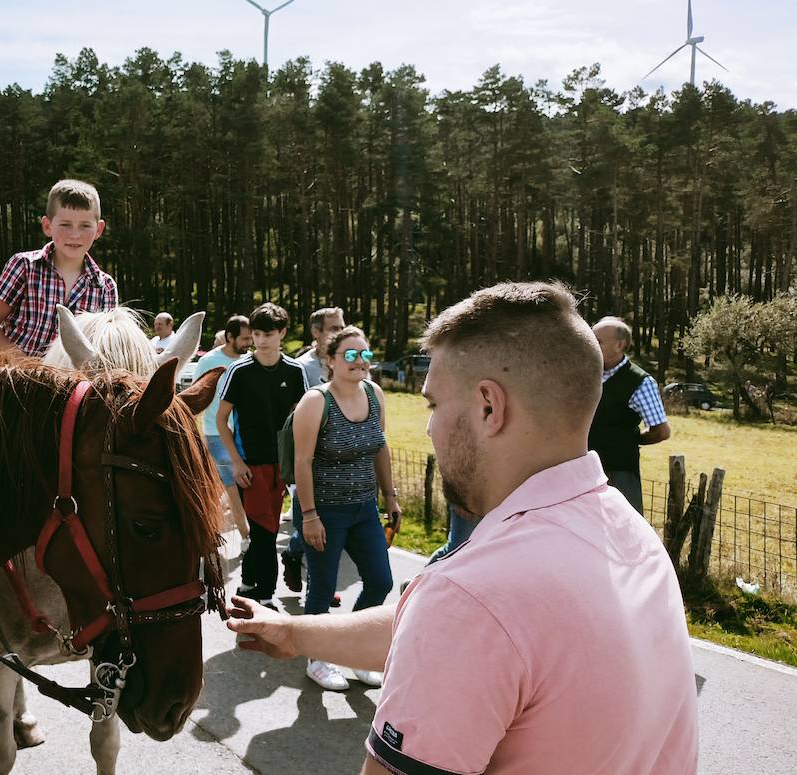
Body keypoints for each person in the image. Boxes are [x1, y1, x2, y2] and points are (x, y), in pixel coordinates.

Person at [229, 282, 698, 775]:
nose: (428, 428)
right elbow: (444, 635)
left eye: (433, 405)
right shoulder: (635, 537)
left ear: (489, 408)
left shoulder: (470, 596)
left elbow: (459, 625)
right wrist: (295, 631)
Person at [290, 326, 397, 691]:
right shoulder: (316, 401)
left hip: (365, 507)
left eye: (365, 354)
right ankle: (318, 660)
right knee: (321, 589)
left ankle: (354, 652)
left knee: (381, 580)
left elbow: (380, 447)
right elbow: (302, 462)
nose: (360, 361)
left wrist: (391, 497)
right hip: (325, 511)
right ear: (330, 361)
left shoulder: (374, 393)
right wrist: (309, 516)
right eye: (350, 355)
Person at [215, 303, 312, 609]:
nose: (261, 339)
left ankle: (246, 583)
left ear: (282, 333)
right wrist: (236, 462)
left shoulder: (295, 371)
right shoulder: (239, 371)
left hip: (284, 466)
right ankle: (265, 595)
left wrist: (302, 463)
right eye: (256, 333)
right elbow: (221, 420)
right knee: (265, 529)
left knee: (264, 529)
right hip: (250, 465)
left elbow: (305, 417)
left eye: (268, 333)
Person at [0, 179, 119, 360]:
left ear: (99, 229)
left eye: (85, 226)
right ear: (47, 226)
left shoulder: (105, 287)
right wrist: (24, 364)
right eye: (65, 225)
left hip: (68, 384)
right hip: (12, 377)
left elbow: (104, 348)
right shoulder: (25, 266)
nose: (75, 234)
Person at [283, 306, 346, 591]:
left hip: (343, 456)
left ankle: (296, 556)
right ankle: (320, 588)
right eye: (334, 328)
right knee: (313, 520)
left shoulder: (350, 358)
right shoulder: (302, 368)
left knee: (330, 523)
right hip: (310, 458)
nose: (340, 333)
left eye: (342, 326)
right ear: (316, 332)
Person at [590, 316, 670, 514]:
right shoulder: (586, 374)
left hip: (619, 472)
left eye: (598, 341)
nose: (591, 344)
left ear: (620, 344)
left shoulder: (640, 382)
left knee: (622, 530)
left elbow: (661, 431)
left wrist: (628, 440)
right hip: (584, 469)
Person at [192, 314, 253, 539]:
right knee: (232, 486)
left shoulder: (249, 361)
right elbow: (197, 393)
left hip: (246, 432)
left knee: (247, 483)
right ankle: (246, 536)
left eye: (251, 338)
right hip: (216, 432)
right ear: (230, 337)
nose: (249, 343)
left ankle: (226, 522)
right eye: (245, 339)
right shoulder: (208, 362)